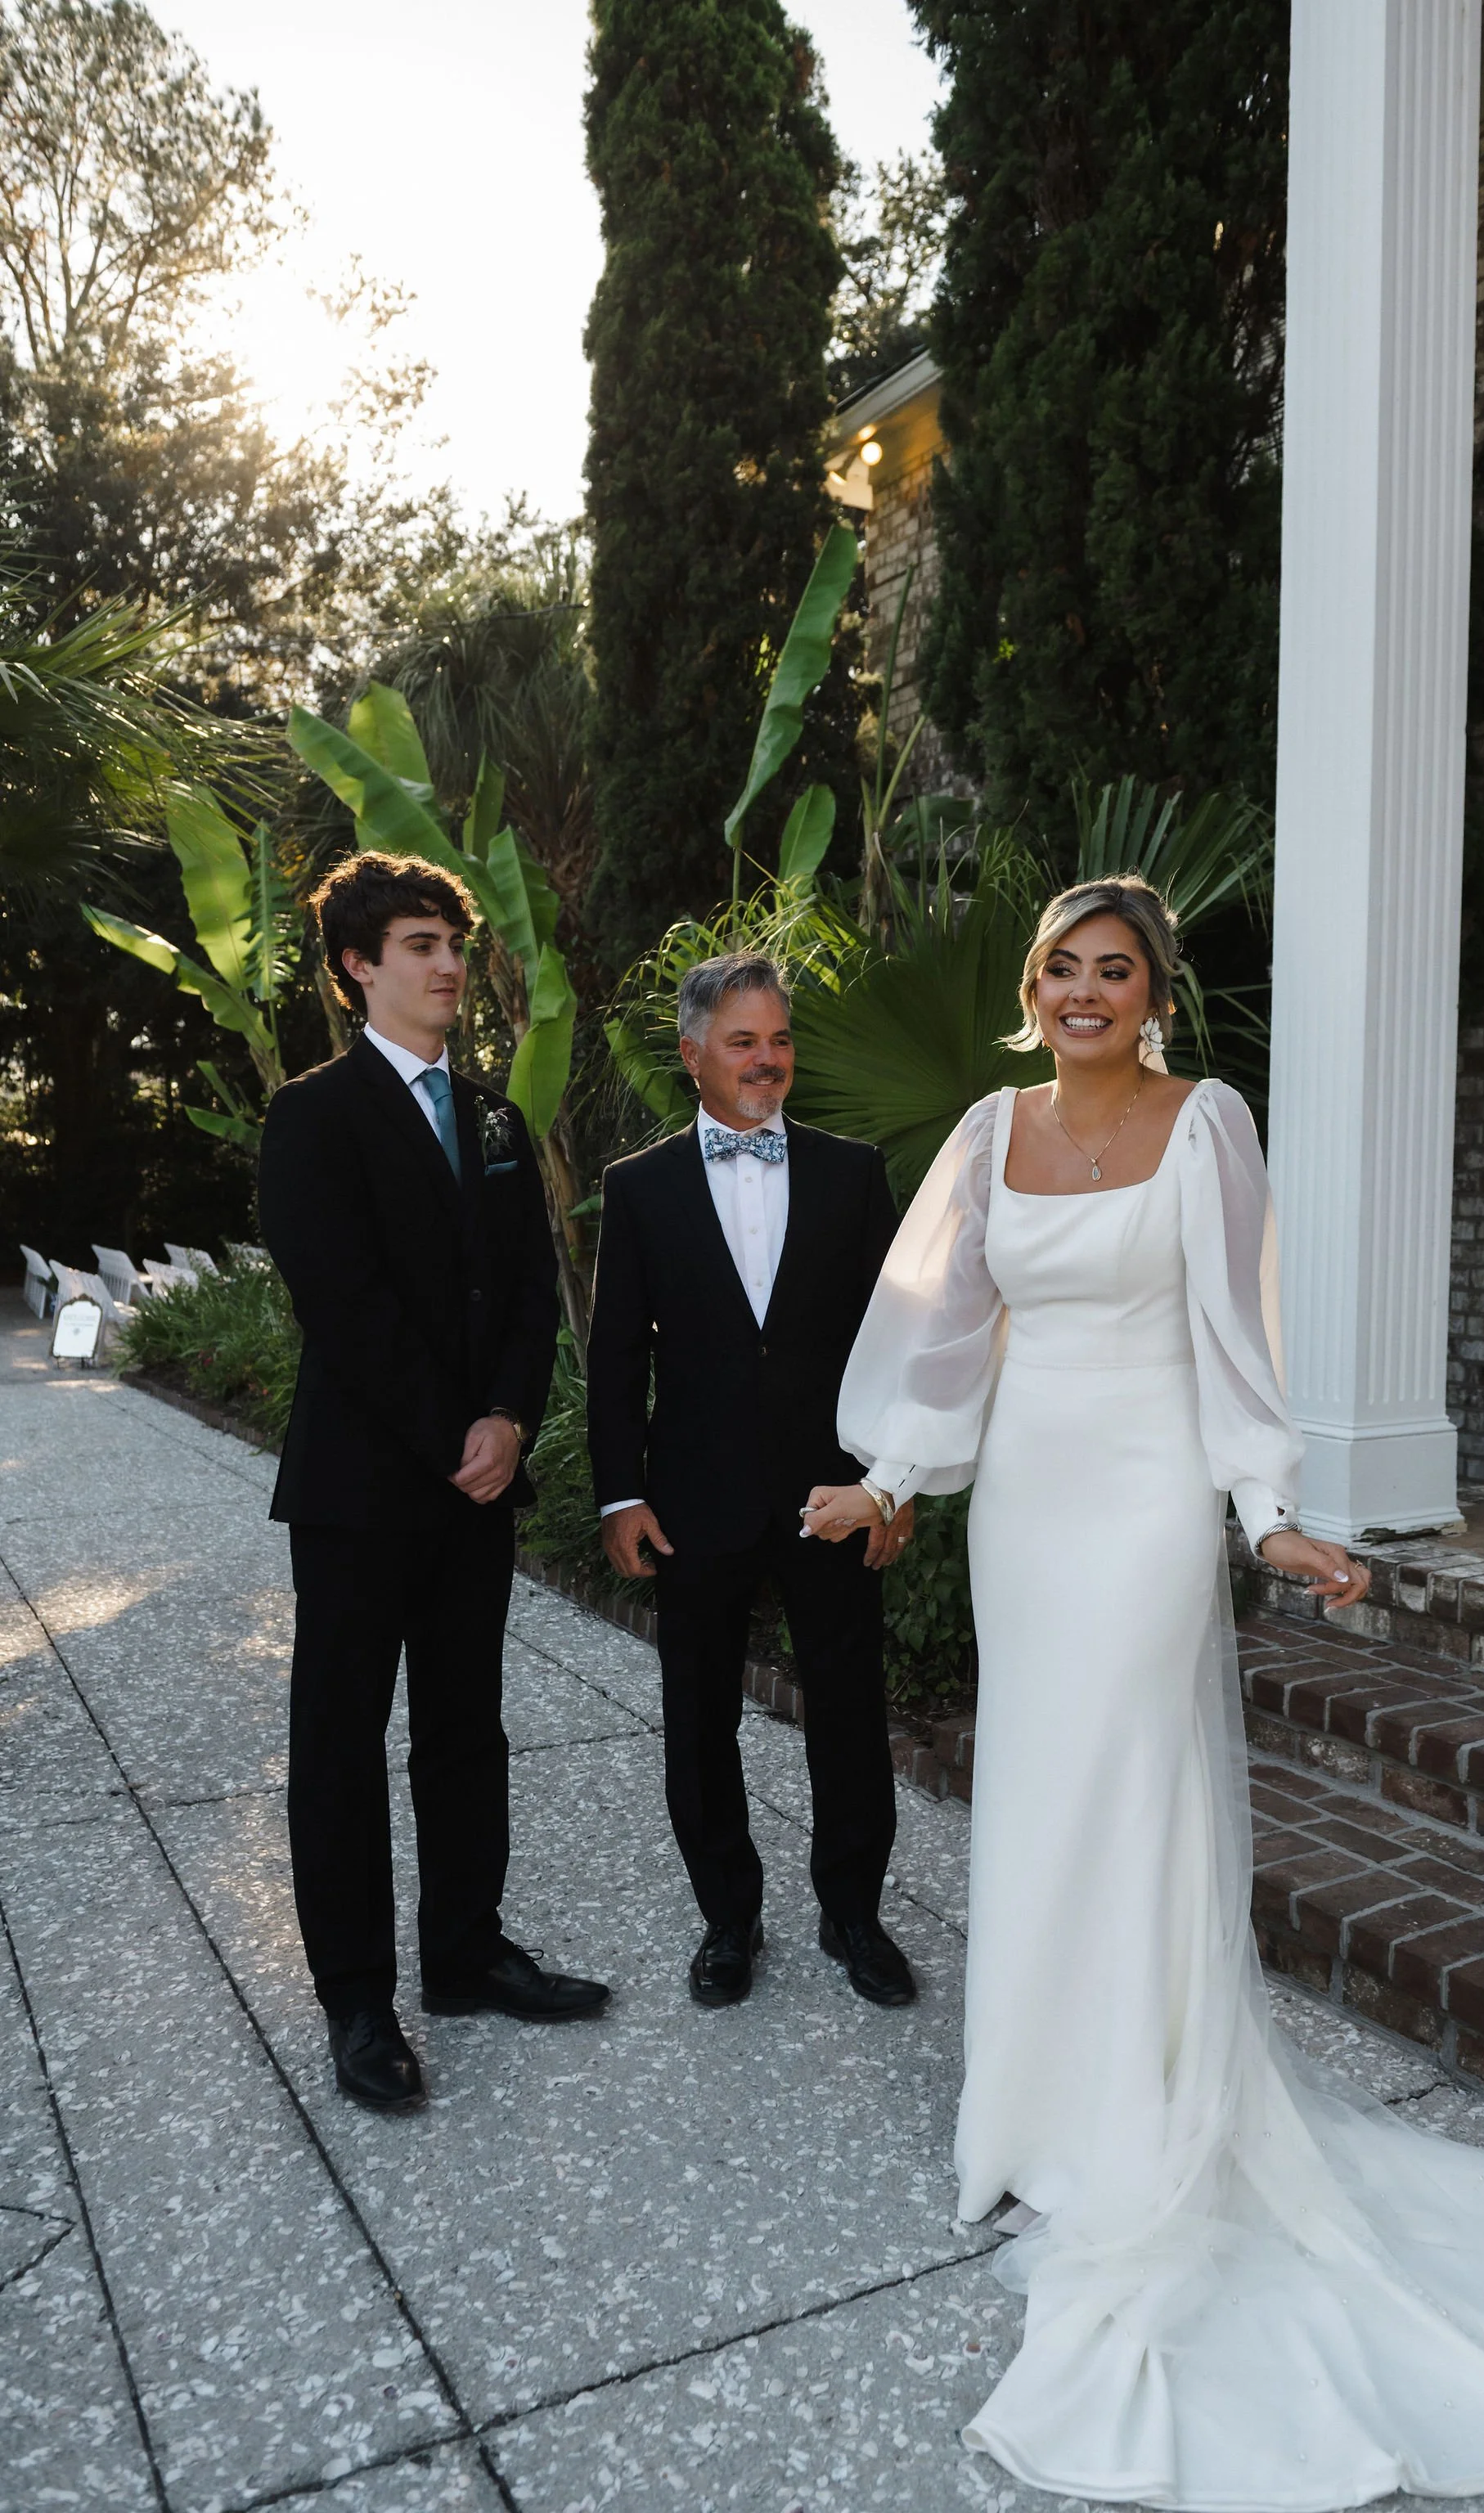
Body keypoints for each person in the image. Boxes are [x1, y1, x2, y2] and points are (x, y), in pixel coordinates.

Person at [807, 876, 1484, 2505]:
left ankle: (1139, 2126)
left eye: (1112, 972)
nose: (1082, 993)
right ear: (1034, 986)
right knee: (1043, 1786)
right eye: (1061, 968)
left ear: (1156, 996)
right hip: (1031, 1507)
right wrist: (892, 1480)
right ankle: (1033, 2121)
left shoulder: (1205, 1125)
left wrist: (1266, 1509)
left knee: (1129, 1785)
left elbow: (1235, 1333)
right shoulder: (987, 1130)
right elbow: (948, 1327)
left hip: (1139, 1507)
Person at [259, 851, 609, 2116]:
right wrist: (450, 1431)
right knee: (341, 1745)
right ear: (360, 965)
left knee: (467, 1729)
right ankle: (359, 2002)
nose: (450, 964)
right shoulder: (312, 1115)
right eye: (420, 945)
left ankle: (465, 1954)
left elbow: (528, 1292)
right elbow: (340, 1304)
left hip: (479, 1486)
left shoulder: (498, 1119)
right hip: (361, 1491)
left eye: (454, 944)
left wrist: (510, 1417)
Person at [586, 951, 915, 2012]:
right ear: (694, 1057)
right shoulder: (637, 1188)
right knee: (697, 1722)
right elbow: (614, 1358)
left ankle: (853, 1916)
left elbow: (899, 1341)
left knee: (853, 1716)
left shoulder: (852, 1173)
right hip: (694, 1502)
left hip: (833, 1498)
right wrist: (618, 1492)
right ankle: (728, 1922)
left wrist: (894, 1485)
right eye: (743, 1042)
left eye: (778, 1040)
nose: (766, 1060)